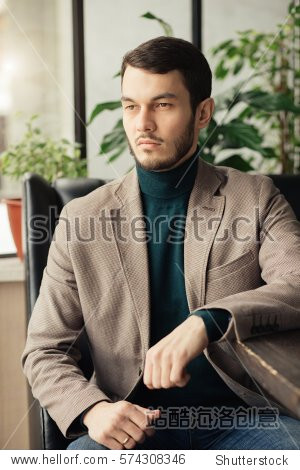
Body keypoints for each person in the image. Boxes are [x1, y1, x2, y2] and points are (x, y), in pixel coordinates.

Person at [21, 36, 300, 450]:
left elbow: (296, 282)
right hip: (129, 424)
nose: (142, 123)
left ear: (202, 112)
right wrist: (93, 410)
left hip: (246, 420)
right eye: (131, 105)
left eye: (162, 105)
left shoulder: (255, 197)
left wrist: (209, 321)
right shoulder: (81, 218)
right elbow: (44, 350)